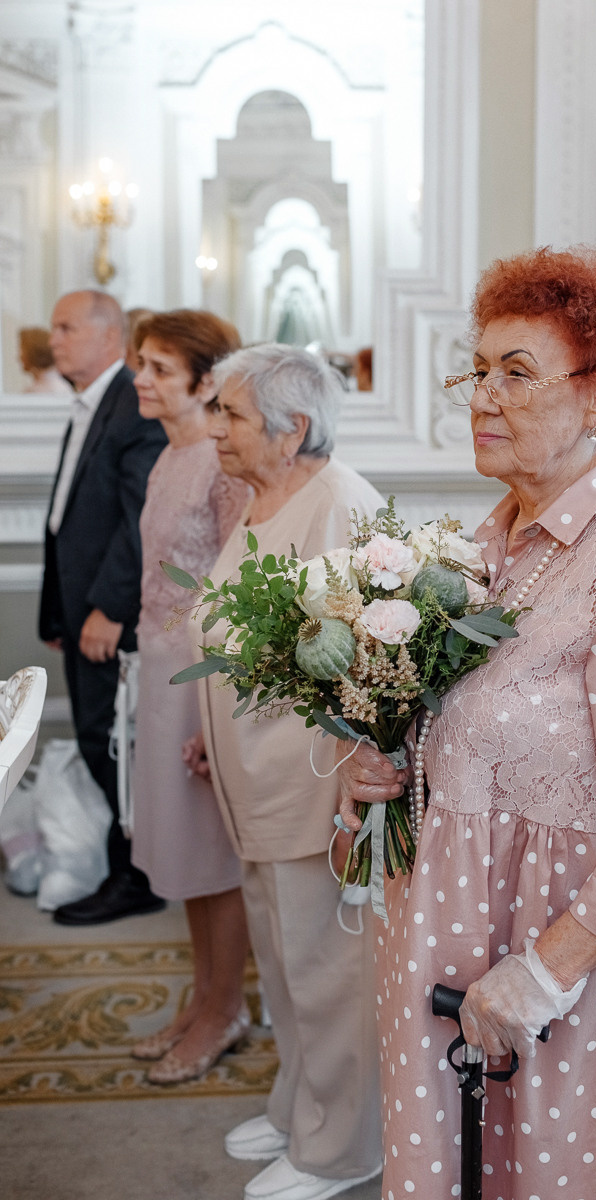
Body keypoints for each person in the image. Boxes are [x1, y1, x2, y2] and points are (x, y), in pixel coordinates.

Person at [338, 246, 596, 1199]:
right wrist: (384, 771)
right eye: (477, 372)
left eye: (517, 374)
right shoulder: (484, 545)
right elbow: (480, 740)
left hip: (587, 988)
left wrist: (543, 975)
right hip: (457, 953)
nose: (484, 397)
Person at [183, 344, 384, 1200]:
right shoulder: (267, 497)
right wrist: (210, 728)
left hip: (313, 784)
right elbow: (243, 637)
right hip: (256, 780)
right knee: (283, 960)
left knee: (330, 974)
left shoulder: (338, 504)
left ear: (291, 426)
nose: (213, 427)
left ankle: (341, 1149)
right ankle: (299, 1104)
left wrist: (355, 799)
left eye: (227, 412)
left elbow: (365, 664)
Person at [129, 309, 252, 1083]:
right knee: (178, 851)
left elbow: (243, 577)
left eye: (160, 369)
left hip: (203, 677)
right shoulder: (168, 456)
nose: (140, 379)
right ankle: (204, 998)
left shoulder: (219, 460)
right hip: (155, 667)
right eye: (141, 363)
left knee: (212, 855)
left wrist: (224, 704)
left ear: (206, 382)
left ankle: (224, 1009)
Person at [39, 290, 167, 925]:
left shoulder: (132, 403)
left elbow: (140, 518)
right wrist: (56, 614)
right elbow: (67, 519)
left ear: (107, 333)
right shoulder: (93, 400)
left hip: (108, 610)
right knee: (98, 737)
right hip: (79, 608)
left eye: (66, 327)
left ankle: (136, 874)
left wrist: (108, 609)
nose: (53, 338)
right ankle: (130, 865)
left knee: (108, 741)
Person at [18, 326, 72, 395]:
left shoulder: (53, 389)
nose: (20, 356)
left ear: (35, 352)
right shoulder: (39, 387)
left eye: (22, 351)